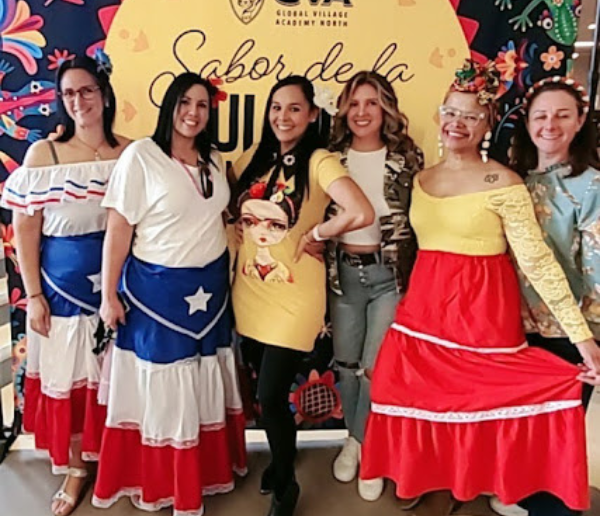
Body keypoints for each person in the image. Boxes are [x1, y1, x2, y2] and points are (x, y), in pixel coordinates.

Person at [359, 60, 600, 515]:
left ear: (487, 122)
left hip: (481, 310)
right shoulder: (422, 178)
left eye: (471, 115)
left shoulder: (505, 182)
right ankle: (421, 475)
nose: (459, 123)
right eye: (452, 111)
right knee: (405, 390)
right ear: (439, 115)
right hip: (426, 309)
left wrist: (581, 337)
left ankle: (489, 482)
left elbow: (536, 259)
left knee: (479, 401)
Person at [92, 73, 246, 516]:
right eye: (184, 102)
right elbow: (118, 228)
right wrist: (109, 296)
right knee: (164, 388)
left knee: (200, 385)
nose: (193, 112)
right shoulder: (141, 156)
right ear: (170, 107)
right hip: (155, 296)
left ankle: (204, 472)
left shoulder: (214, 161)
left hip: (210, 294)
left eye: (201, 104)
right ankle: (165, 482)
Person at [230, 75, 374, 516]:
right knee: (260, 390)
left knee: (273, 395)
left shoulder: (319, 160)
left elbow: (360, 211)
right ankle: (280, 459)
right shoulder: (253, 162)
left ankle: (286, 487)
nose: (283, 117)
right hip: (249, 291)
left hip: (294, 300)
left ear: (312, 114)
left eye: (294, 108)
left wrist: (316, 232)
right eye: (276, 107)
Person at [0, 51, 129, 516]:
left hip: (121, 294)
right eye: (69, 93)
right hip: (61, 295)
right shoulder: (44, 154)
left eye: (87, 90)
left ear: (104, 94)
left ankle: (116, 460)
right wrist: (33, 295)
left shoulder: (130, 152)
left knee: (115, 384)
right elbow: (25, 228)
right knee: (69, 383)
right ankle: (77, 470)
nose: (78, 101)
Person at [497, 76, 600, 516]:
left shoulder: (591, 185)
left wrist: (591, 340)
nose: (550, 125)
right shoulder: (514, 181)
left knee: (557, 447)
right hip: (515, 331)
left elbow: (596, 267)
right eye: (541, 115)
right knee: (525, 437)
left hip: (569, 335)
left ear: (579, 122)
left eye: (562, 115)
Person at [325, 71, 423, 501]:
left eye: (372, 103)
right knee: (345, 365)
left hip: (389, 278)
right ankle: (353, 436)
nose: (362, 112)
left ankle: (368, 448)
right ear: (344, 110)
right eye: (355, 103)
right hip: (343, 274)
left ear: (386, 109)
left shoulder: (407, 158)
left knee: (373, 369)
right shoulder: (330, 157)